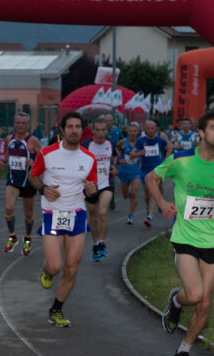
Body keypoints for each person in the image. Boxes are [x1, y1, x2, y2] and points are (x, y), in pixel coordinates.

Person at [147, 109, 214, 356]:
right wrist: (162, 203)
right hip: (185, 237)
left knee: (204, 303)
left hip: (211, 239)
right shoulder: (181, 159)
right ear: (201, 133)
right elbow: (151, 178)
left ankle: (183, 351)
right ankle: (177, 300)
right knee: (194, 294)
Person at [28, 111, 99, 328]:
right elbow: (33, 176)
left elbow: (92, 193)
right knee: (55, 266)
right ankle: (47, 270)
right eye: (70, 127)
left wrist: (92, 191)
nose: (74, 131)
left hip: (76, 215)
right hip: (53, 214)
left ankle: (56, 309)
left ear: (83, 130)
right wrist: (44, 189)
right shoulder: (48, 153)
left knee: (71, 268)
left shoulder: (89, 158)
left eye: (78, 127)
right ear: (62, 130)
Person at [0, 111, 42, 256]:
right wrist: (4, 161)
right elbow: (9, 152)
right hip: (13, 180)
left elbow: (44, 159)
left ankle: (27, 239)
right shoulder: (9, 139)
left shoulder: (33, 141)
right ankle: (12, 237)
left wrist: (34, 163)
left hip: (28, 182)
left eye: (23, 123)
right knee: (8, 207)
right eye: (18, 122)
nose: (20, 125)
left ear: (28, 125)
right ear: (14, 124)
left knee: (28, 213)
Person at [83, 116, 116, 261]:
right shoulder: (86, 145)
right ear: (93, 131)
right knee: (94, 217)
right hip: (91, 185)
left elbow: (113, 158)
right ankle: (95, 243)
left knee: (102, 211)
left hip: (106, 183)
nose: (101, 133)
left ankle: (102, 242)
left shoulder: (110, 143)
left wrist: (114, 166)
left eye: (103, 130)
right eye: (98, 130)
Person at [132, 118, 168, 228]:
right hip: (144, 171)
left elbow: (169, 149)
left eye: (153, 128)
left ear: (156, 129)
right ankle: (149, 208)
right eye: (148, 128)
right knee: (147, 195)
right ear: (145, 129)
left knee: (153, 192)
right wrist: (139, 154)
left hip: (156, 171)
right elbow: (132, 154)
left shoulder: (160, 141)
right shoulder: (141, 141)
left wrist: (165, 162)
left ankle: (150, 216)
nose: (151, 130)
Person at [117, 122, 142, 224]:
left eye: (134, 131)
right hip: (124, 171)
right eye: (130, 131)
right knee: (125, 196)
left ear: (137, 132)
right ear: (127, 132)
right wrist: (119, 159)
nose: (132, 133)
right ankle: (132, 200)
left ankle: (130, 216)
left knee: (134, 192)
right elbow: (116, 148)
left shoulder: (140, 143)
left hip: (135, 171)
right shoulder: (123, 142)